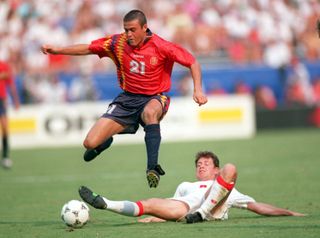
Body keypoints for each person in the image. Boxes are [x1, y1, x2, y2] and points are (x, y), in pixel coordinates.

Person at [41, 10, 207, 188]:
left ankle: (152, 167)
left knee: (150, 112)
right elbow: (88, 48)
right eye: (126, 30)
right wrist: (58, 50)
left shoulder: (162, 46)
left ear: (145, 28)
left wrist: (197, 89)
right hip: (127, 100)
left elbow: (192, 62)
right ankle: (109, 139)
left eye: (133, 30)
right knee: (90, 143)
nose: (128, 34)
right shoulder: (117, 43)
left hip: (155, 97)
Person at [78, 151, 305, 223]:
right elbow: (170, 207)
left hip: (212, 209)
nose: (201, 166)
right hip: (186, 211)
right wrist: (154, 217)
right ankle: (105, 203)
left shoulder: (225, 186)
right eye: (199, 164)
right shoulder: (186, 185)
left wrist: (289, 212)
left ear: (215, 169)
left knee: (232, 168)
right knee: (150, 203)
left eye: (206, 163)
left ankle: (202, 213)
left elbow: (257, 207)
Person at [0, 60, 20, 169]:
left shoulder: (4, 65)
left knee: (5, 128)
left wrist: (15, 100)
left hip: (1, 100)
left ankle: (5, 156)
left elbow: (11, 84)